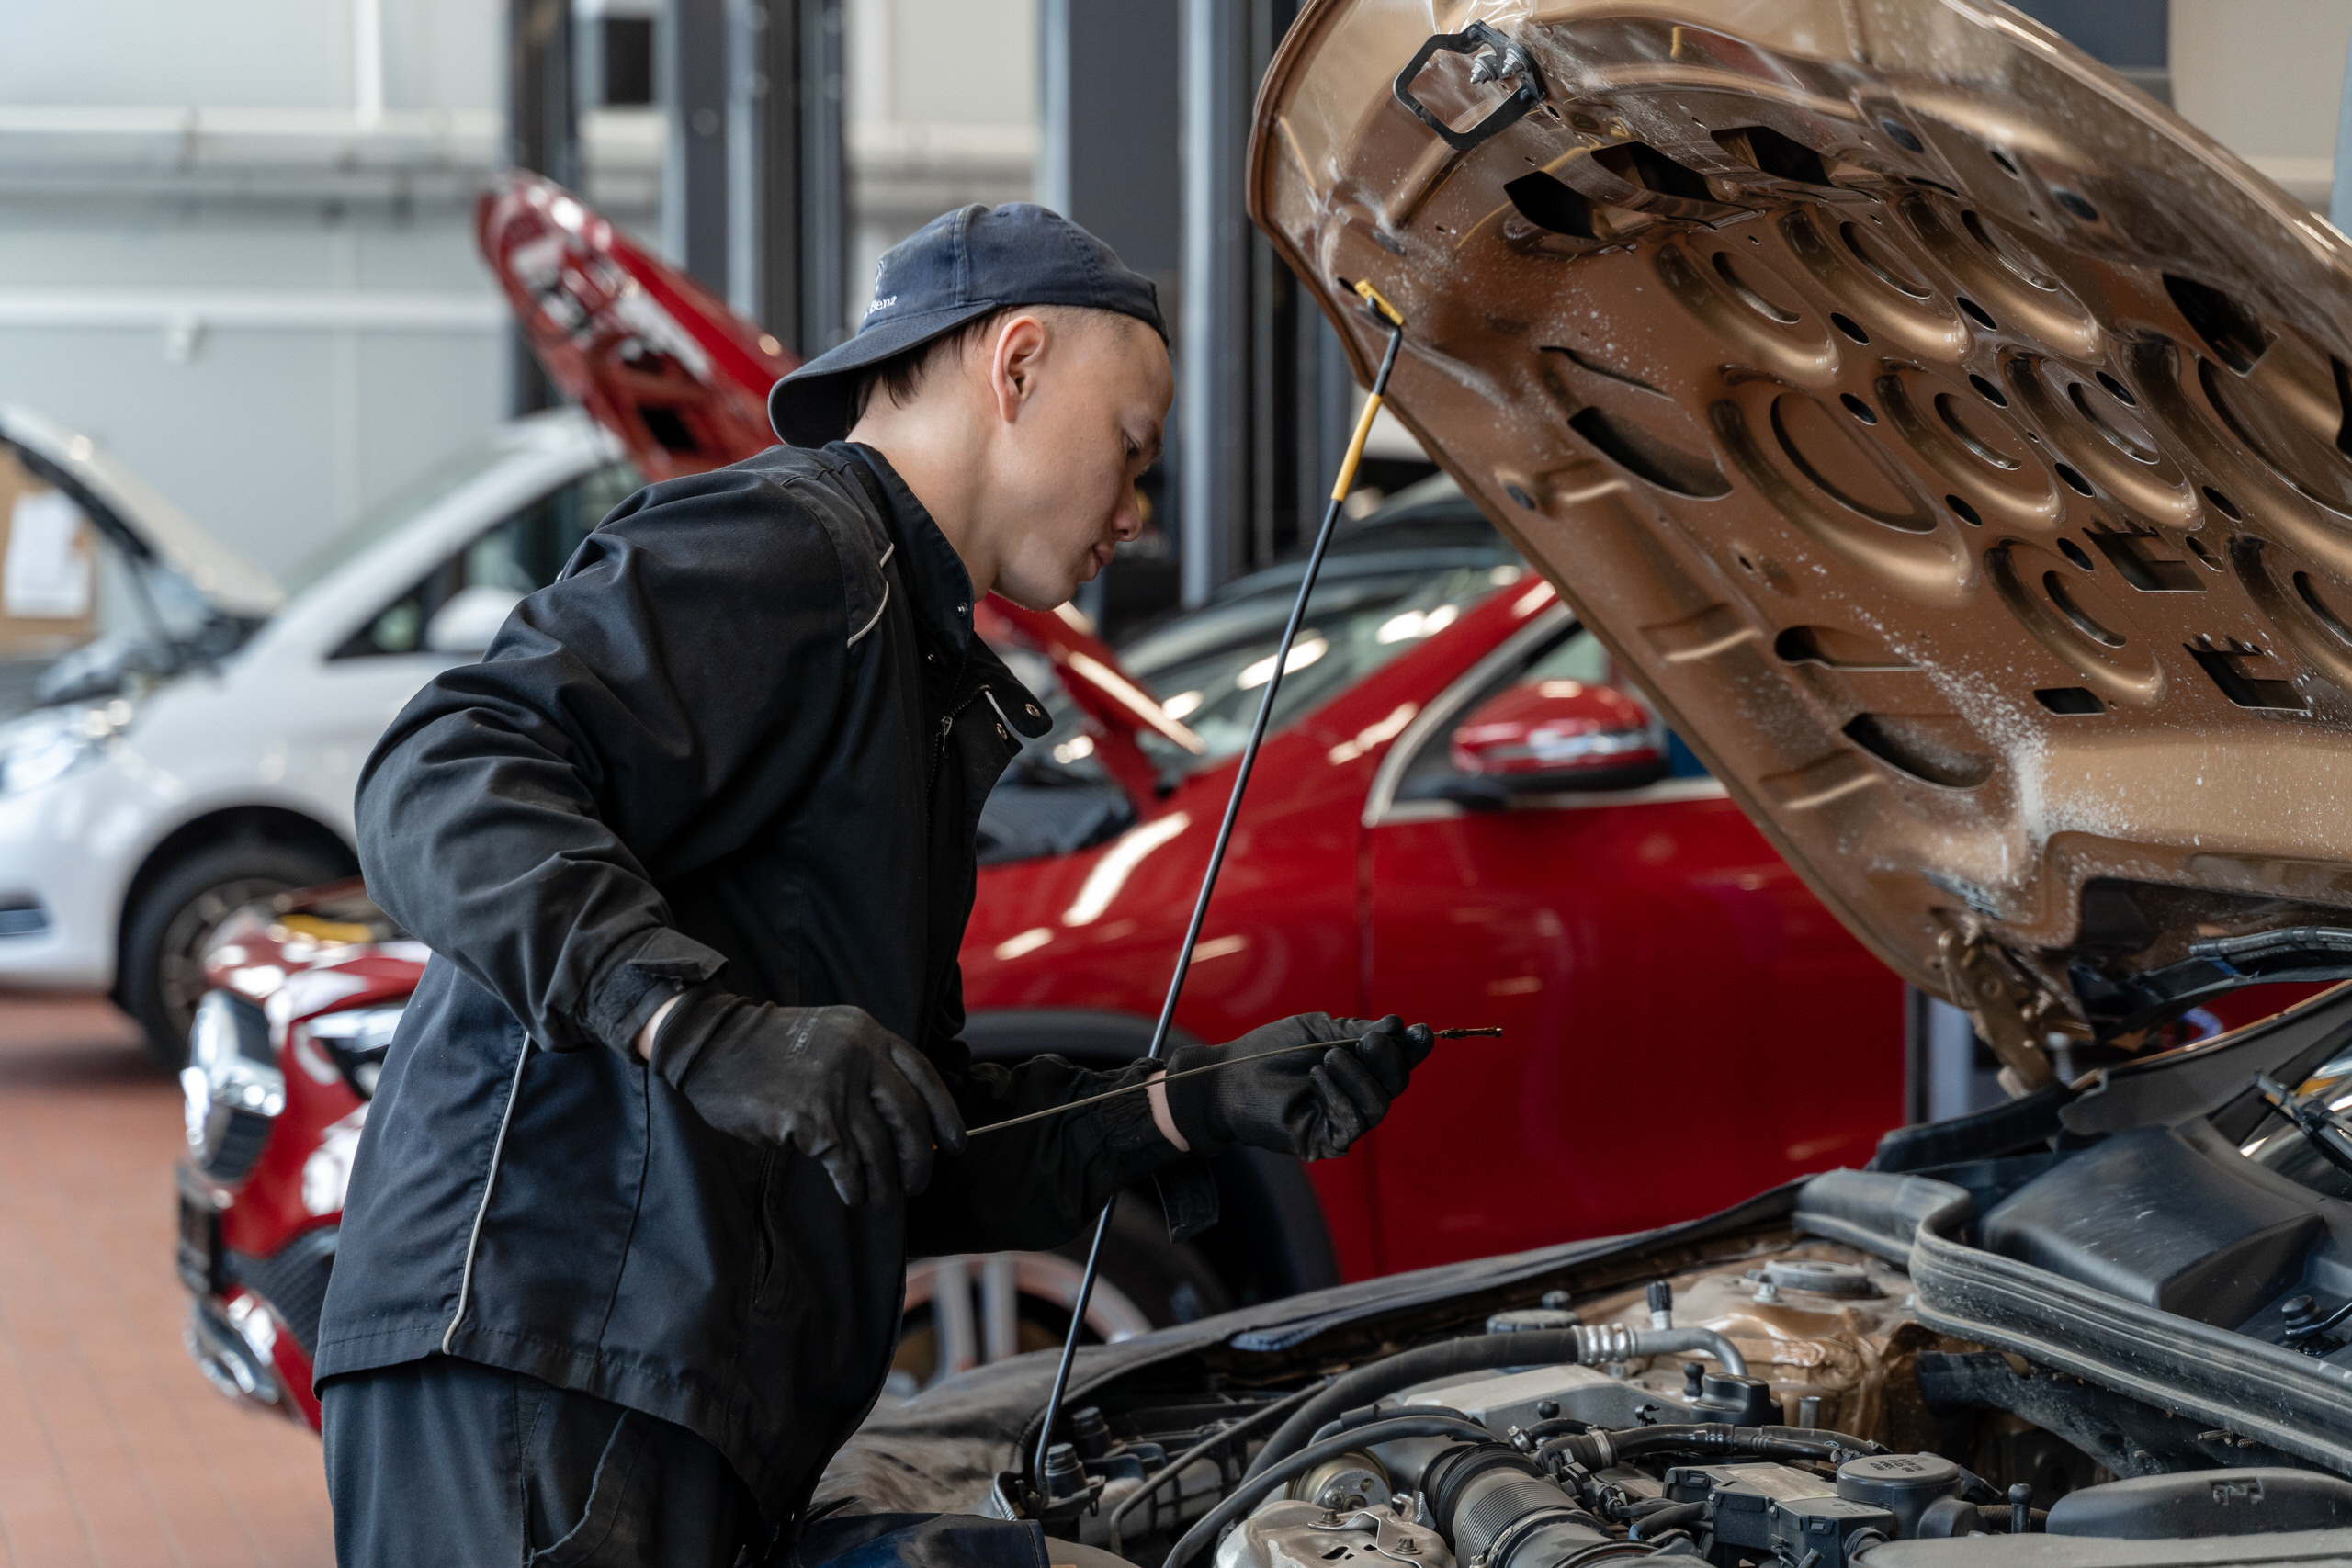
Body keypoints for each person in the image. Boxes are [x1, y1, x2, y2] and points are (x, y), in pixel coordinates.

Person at [314, 202, 1437, 1567]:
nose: (1135, 518)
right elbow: (440, 770)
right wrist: (699, 1028)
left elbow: (887, 1128)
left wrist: (1182, 1105)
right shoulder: (794, 548)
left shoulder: (912, 668)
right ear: (1016, 366)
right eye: (1130, 451)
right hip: (544, 1364)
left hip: (663, 1392)